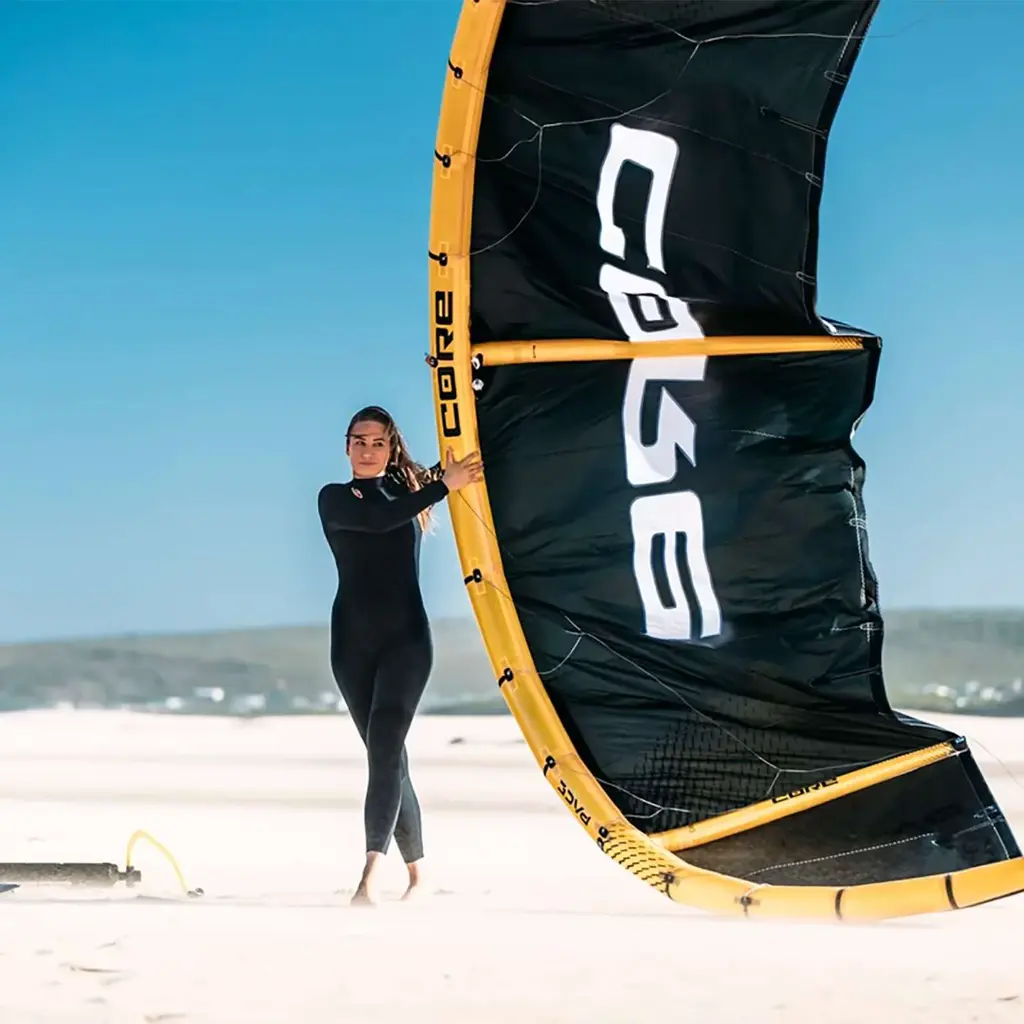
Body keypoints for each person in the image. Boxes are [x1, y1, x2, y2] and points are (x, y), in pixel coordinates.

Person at [317, 405, 483, 905]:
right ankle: (418, 875)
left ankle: (368, 877)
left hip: (407, 640)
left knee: (387, 746)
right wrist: (442, 485)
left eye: (378, 443)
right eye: (359, 441)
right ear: (346, 446)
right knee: (387, 756)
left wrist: (452, 473)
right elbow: (377, 520)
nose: (367, 451)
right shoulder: (334, 498)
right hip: (351, 646)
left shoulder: (411, 488)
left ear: (391, 449)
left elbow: (459, 467)